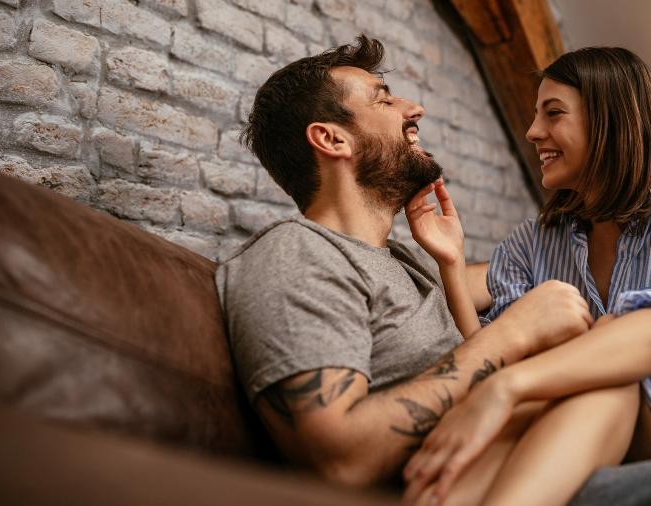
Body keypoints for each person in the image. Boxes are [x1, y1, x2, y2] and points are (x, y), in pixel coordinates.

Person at [216, 35, 595, 490]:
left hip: (540, 459)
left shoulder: (401, 260)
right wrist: (512, 334)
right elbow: (340, 459)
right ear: (332, 138)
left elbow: (497, 320)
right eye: (384, 100)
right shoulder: (295, 254)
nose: (414, 109)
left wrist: (452, 264)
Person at [400, 46, 651, 504]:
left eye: (553, 113)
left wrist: (510, 386)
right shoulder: (536, 240)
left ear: (612, 120)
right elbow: (485, 351)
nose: (532, 131)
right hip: (560, 442)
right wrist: (450, 260)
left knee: (613, 346)